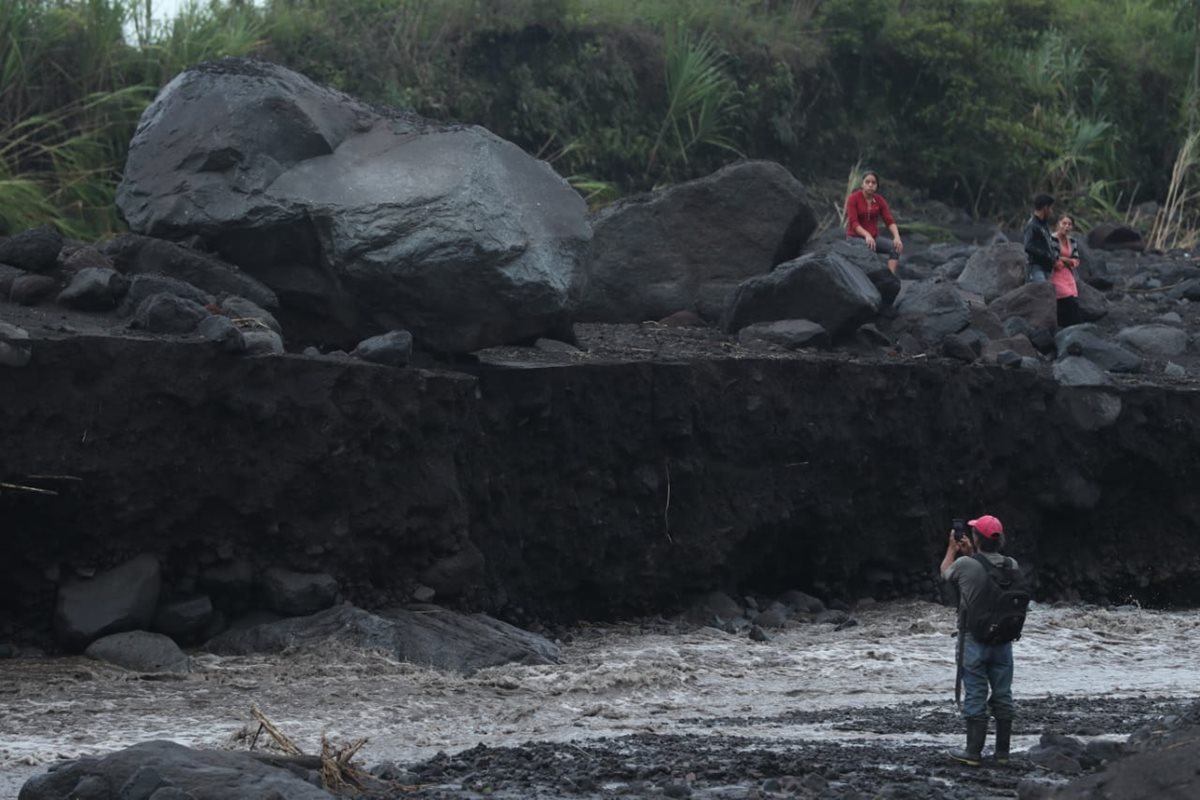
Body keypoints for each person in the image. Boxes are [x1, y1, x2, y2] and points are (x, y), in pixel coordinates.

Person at [940, 514, 1016, 766]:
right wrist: (974, 552)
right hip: (1004, 640)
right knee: (1003, 694)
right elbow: (987, 567)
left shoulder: (966, 564)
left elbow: (946, 574)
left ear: (975, 538)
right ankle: (1003, 753)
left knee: (975, 692)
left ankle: (973, 753)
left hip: (973, 639)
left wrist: (953, 549)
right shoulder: (1011, 564)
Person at [845, 169, 903, 274]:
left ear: (877, 186)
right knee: (868, 249)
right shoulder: (853, 199)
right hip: (855, 237)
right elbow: (854, 222)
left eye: (873, 183)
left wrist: (897, 237)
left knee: (895, 248)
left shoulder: (879, 200)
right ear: (862, 184)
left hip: (874, 238)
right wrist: (867, 235)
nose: (870, 185)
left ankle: (890, 277)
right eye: (867, 182)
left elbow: (889, 221)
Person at [1051, 214, 1082, 327]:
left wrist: (1063, 259)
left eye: (1069, 224)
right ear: (1058, 224)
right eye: (1064, 223)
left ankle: (1069, 328)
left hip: (1068, 275)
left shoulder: (1072, 241)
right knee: (1067, 298)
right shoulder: (1052, 239)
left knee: (1073, 299)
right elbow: (1053, 259)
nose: (1067, 226)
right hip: (1055, 275)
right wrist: (1067, 260)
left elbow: (1076, 261)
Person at [1023, 193, 1057, 283]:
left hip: (1047, 268)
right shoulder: (1032, 225)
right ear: (1045, 208)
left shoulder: (1044, 225)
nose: (1051, 211)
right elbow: (1028, 246)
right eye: (1050, 208)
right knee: (1042, 291)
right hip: (1036, 268)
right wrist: (1045, 254)